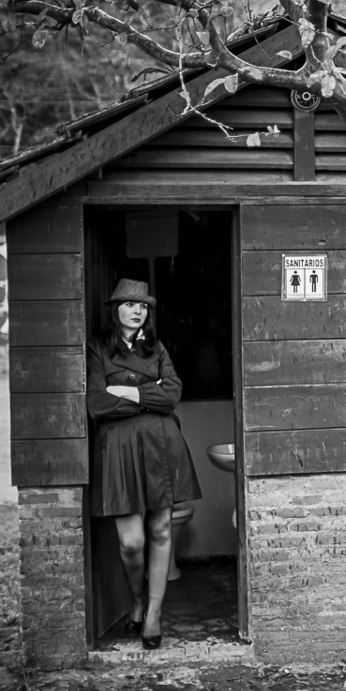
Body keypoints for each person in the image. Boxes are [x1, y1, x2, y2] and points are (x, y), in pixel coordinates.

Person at [86, 279, 201, 650]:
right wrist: (149, 396)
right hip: (119, 452)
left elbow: (173, 395)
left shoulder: (157, 348)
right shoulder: (98, 349)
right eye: (131, 304)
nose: (138, 311)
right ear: (115, 309)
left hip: (161, 447)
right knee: (131, 542)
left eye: (144, 306)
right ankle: (136, 599)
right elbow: (97, 404)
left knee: (162, 531)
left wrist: (129, 392)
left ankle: (152, 613)